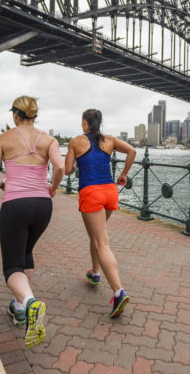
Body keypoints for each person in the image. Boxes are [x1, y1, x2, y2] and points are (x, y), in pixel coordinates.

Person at [0, 96, 64, 348]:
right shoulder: (49, 140)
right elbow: (60, 167)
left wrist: (3, 183)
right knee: (26, 252)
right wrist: (52, 187)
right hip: (43, 205)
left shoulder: (4, 139)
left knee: (11, 266)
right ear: (34, 115)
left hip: (15, 204)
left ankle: (30, 303)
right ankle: (19, 308)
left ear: (15, 115)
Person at [65, 109, 136, 318]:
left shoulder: (76, 142)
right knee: (96, 236)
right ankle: (95, 273)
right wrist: (123, 175)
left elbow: (68, 170)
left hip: (92, 193)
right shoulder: (110, 140)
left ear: (85, 123)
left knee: (101, 242)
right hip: (110, 192)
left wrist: (76, 160)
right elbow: (132, 151)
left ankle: (118, 291)